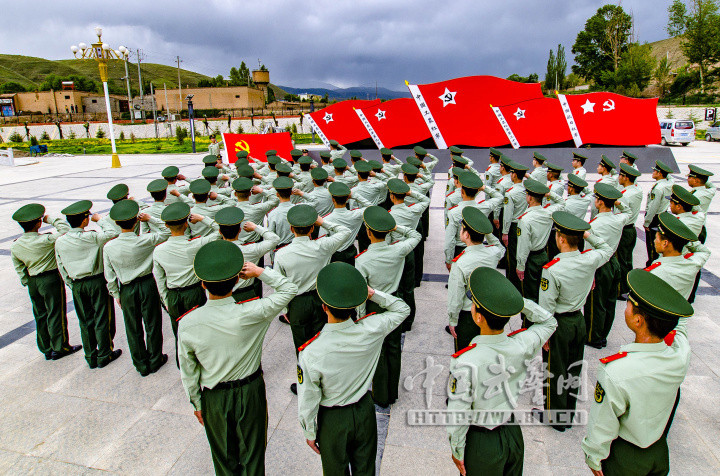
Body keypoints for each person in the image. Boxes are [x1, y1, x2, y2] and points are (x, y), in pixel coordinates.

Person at [178, 240, 298, 476]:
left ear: (202, 283)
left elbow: (188, 370)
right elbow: (289, 289)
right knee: (253, 455)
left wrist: (197, 403)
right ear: (237, 281)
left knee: (223, 458)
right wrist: (260, 272)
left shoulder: (188, 323)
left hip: (214, 396)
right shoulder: (253, 312)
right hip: (250, 390)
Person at [297, 262, 410, 475]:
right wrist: (372, 293)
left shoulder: (311, 352)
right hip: (364, 409)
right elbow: (402, 308)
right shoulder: (372, 329)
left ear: (324, 306)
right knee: (366, 469)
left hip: (333, 419)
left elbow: (308, 398)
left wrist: (309, 431)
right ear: (355, 306)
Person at [447, 267, 557, 476]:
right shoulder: (522, 344)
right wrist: (517, 303)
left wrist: (457, 449)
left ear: (478, 318)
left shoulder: (466, 362)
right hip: (512, 433)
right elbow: (549, 321)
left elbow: (458, 414)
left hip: (482, 442)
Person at [582, 269, 693, 475]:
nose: (626, 309)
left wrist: (594, 456)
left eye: (629, 306)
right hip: (659, 451)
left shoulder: (616, 371)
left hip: (626, 458)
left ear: (638, 320)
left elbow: (603, 422)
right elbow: (681, 331)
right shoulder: (680, 356)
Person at [538, 211, 612, 431]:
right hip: (578, 321)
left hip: (558, 324)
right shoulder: (589, 259)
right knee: (573, 369)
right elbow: (607, 249)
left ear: (560, 239)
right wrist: (587, 235)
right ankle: (567, 414)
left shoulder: (552, 269)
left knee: (554, 370)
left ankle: (554, 418)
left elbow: (546, 308)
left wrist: (545, 334)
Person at [274, 205, 351, 394]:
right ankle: (326, 379)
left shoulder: (281, 254)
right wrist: (322, 221)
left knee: (301, 345)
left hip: (297, 303)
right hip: (321, 300)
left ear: (291, 228)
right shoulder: (322, 246)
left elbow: (279, 286)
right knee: (322, 340)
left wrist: (286, 312)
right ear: (311, 229)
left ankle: (305, 384)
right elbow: (345, 231)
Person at [355, 206, 421, 407]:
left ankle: (381, 394)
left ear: (368, 232)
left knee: (378, 351)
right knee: (393, 348)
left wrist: (360, 317)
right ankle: (392, 391)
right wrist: (394, 226)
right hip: (395, 301)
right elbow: (415, 234)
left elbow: (361, 294)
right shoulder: (398, 250)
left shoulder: (362, 260)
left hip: (374, 306)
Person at [103, 200, 170, 376]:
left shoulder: (109, 246)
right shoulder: (145, 240)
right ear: (136, 222)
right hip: (147, 283)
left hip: (126, 287)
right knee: (152, 323)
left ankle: (140, 364)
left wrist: (116, 293)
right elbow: (166, 231)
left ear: (117, 223)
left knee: (133, 327)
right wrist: (151, 218)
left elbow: (109, 275)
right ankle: (155, 359)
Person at [152, 202, 221, 365]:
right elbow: (220, 231)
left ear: (167, 225)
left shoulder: (159, 250)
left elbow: (160, 279)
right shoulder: (195, 245)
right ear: (186, 223)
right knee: (200, 331)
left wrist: (166, 300)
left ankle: (183, 364)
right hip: (194, 293)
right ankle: (203, 362)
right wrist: (203, 218)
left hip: (173, 295)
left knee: (180, 333)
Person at [55, 200, 120, 368]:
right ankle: (105, 353)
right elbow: (114, 232)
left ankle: (91, 356)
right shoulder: (92, 237)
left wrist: (71, 283)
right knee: (102, 317)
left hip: (77, 284)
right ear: (85, 220)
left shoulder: (60, 241)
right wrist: (100, 220)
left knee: (85, 320)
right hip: (96, 281)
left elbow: (61, 266)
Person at [11, 203, 81, 360]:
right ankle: (60, 347)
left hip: (32, 281)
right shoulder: (47, 240)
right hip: (49, 279)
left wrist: (26, 281)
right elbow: (66, 230)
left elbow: (19, 267)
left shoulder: (16, 244)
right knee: (55, 312)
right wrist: (52, 219)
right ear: (38, 223)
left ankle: (46, 348)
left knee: (40, 314)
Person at [446, 208, 505, 351]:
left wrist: (453, 320)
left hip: (468, 316)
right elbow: (500, 247)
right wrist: (486, 232)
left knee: (464, 354)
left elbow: (456, 296)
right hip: (489, 312)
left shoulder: (460, 263)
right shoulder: (493, 253)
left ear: (466, 235)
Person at [584, 184, 633, 349]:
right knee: (609, 302)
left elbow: (588, 251)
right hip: (613, 262)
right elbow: (629, 212)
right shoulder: (618, 219)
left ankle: (593, 337)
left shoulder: (594, 225)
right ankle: (603, 335)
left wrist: (589, 274)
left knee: (595, 303)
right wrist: (617, 202)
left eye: (597, 199)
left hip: (599, 265)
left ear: (599, 202)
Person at [214, 207, 280, 302]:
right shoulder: (251, 250)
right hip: (246, 296)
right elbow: (274, 239)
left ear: (220, 232)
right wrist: (255, 227)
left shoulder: (214, 252)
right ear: (240, 230)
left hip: (222, 298)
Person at [645, 212, 710, 301]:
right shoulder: (692, 264)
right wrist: (683, 240)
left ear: (665, 243)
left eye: (656, 238)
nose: (654, 241)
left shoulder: (656, 272)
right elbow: (704, 251)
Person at [515, 179, 553, 306]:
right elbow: (561, 203)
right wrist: (548, 194)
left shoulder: (525, 220)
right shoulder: (548, 213)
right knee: (541, 293)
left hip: (530, 260)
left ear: (529, 198)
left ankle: (528, 324)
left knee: (529, 295)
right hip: (543, 255)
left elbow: (523, 245)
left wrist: (520, 265)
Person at [445, 172, 486, 269]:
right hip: (478, 249)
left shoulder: (453, 212)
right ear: (477, 192)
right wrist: (484, 188)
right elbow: (499, 197)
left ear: (462, 191)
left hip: (460, 249)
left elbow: (450, 239)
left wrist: (448, 259)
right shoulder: (483, 208)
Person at [616, 163, 643, 297]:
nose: (618, 177)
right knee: (627, 260)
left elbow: (617, 214)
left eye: (620, 175)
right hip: (631, 229)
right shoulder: (636, 190)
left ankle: (621, 289)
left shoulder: (624, 196)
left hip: (623, 229)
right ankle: (628, 286)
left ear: (625, 177)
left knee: (621, 261)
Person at [502, 161, 529, 290]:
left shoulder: (510, 193)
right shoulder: (528, 190)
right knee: (523, 254)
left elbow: (507, 215)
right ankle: (522, 283)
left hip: (513, 227)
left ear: (514, 175)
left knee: (512, 257)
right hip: (525, 225)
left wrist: (505, 232)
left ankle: (512, 285)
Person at [643, 160, 674, 266]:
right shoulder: (668, 184)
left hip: (654, 218)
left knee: (652, 246)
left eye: (655, 171)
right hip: (663, 215)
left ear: (660, 173)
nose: (653, 173)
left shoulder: (658, 188)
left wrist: (647, 222)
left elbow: (653, 207)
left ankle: (651, 266)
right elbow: (670, 178)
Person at [687, 164, 716, 244]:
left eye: (690, 177)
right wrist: (703, 178)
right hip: (701, 228)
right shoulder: (709, 191)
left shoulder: (695, 196)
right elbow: (712, 186)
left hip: (693, 230)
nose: (687, 179)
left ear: (696, 180)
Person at [267, 176, 296, 248]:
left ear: (277, 194)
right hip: (296, 246)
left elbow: (271, 238)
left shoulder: (272, 214)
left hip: (280, 248)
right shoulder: (298, 209)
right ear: (292, 193)